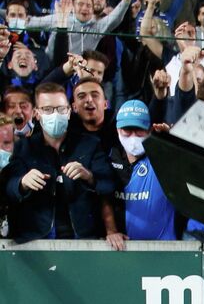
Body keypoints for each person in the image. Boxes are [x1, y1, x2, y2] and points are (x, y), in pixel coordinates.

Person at [2, 82, 115, 243]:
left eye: (60, 109)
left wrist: (88, 176)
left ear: (69, 112)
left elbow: (108, 184)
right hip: (35, 240)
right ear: (37, 113)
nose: (55, 114)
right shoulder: (24, 147)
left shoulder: (90, 144)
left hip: (82, 239)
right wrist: (22, 183)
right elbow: (8, 188)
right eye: (47, 109)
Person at [109, 99, 176, 240]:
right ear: (117, 130)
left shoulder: (163, 159)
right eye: (127, 130)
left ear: (150, 131)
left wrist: (174, 142)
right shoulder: (109, 160)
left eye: (139, 130)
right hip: (123, 250)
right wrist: (111, 231)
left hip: (164, 251)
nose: (133, 137)